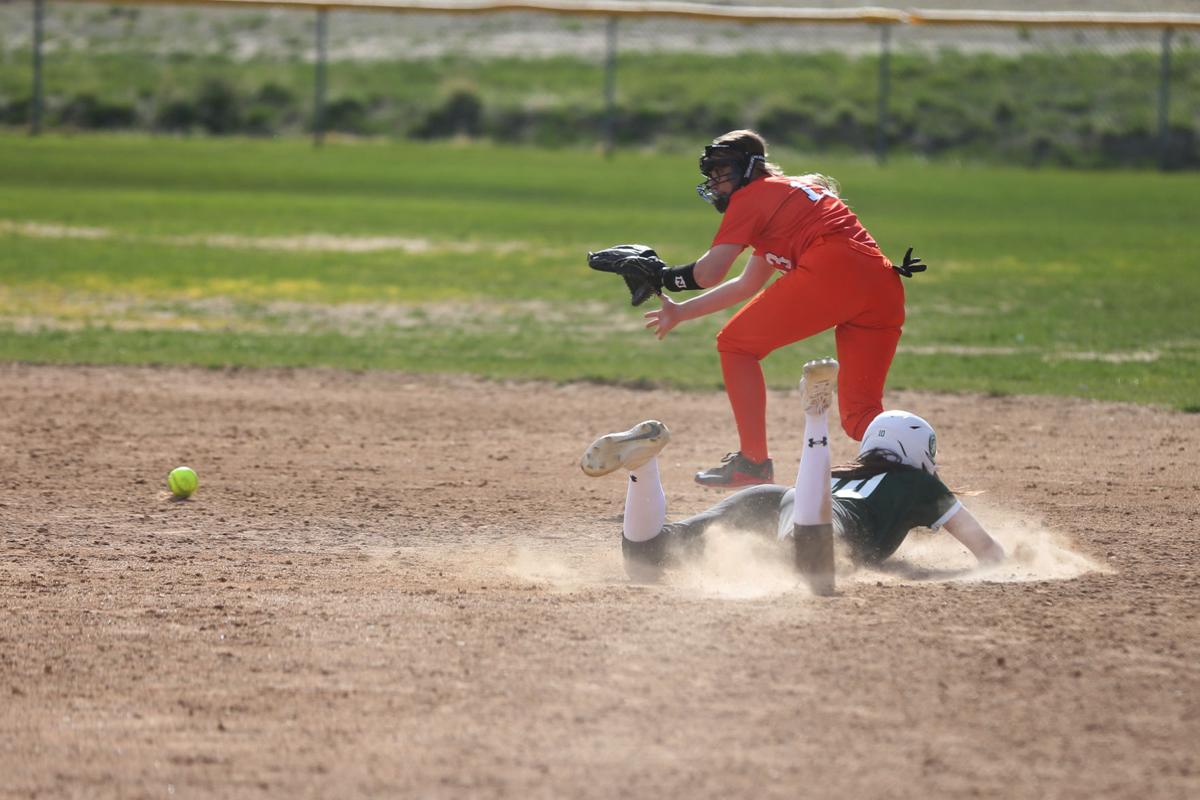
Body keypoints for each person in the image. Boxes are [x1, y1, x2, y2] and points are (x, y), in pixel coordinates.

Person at [579, 358, 1004, 595]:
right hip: (812, 508)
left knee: (648, 560)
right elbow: (986, 550)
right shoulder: (919, 483)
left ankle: (643, 468)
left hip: (773, 496)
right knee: (814, 567)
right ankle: (815, 416)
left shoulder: (846, 473)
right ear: (919, 453)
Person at [643, 129, 922, 489]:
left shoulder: (753, 196)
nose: (715, 181)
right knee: (860, 419)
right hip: (881, 285)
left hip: (836, 268)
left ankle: (753, 462)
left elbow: (710, 271)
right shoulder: (785, 200)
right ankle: (920, 469)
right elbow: (746, 284)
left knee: (736, 346)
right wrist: (681, 311)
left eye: (722, 170)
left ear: (750, 167)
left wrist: (660, 277)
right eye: (711, 173)